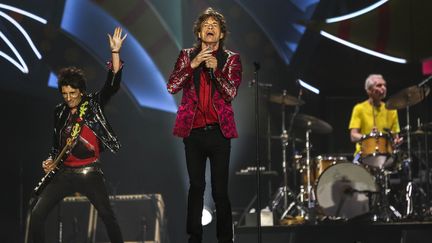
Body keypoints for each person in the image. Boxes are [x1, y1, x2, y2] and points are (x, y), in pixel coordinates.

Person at [28, 27, 127, 243]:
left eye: (73, 93)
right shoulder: (60, 112)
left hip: (89, 173)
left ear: (81, 91)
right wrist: (50, 160)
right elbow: (56, 145)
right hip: (64, 174)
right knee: (36, 214)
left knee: (108, 216)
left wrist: (115, 53)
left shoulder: (92, 105)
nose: (69, 98)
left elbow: (112, 84)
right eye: (65, 94)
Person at [167, 7, 242, 243]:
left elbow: (230, 93)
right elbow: (172, 86)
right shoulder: (186, 54)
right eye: (206, 25)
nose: (210, 27)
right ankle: (194, 238)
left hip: (220, 133)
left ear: (221, 34)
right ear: (199, 33)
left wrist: (215, 70)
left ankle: (225, 239)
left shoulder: (231, 59)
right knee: (196, 186)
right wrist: (192, 64)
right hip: (193, 131)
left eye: (214, 25)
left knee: (220, 191)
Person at [348, 74, 401, 164]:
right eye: (379, 85)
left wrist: (396, 140)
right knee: (354, 167)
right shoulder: (359, 108)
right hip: (362, 154)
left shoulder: (391, 110)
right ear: (369, 90)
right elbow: (353, 136)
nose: (383, 88)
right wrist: (369, 137)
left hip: (385, 154)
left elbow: (395, 136)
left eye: (384, 85)